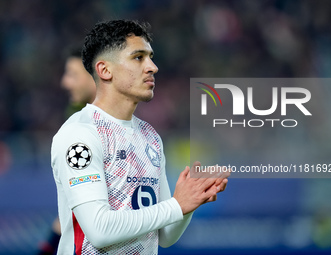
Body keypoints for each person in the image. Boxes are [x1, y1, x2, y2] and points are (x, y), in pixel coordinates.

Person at [51, 19, 230, 255]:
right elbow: (99, 230)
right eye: (138, 57)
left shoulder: (150, 137)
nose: (152, 67)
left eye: (151, 57)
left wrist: (189, 203)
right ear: (105, 70)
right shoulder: (80, 134)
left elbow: (165, 236)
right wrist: (176, 205)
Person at [38, 47, 96, 255]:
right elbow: (75, 205)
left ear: (96, 74)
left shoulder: (102, 129)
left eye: (73, 75)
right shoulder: (77, 119)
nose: (65, 82)